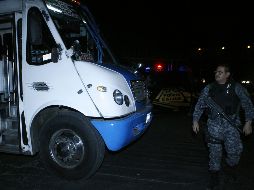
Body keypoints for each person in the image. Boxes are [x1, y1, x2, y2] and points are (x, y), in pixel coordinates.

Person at [192, 63, 254, 190]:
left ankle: (231, 168)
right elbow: (199, 105)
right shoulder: (209, 88)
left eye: (220, 72)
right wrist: (195, 120)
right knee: (214, 153)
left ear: (227, 74)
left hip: (232, 125)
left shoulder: (237, 88)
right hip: (214, 124)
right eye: (216, 72)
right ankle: (214, 177)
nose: (216, 74)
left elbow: (248, 105)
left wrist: (248, 122)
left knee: (234, 152)